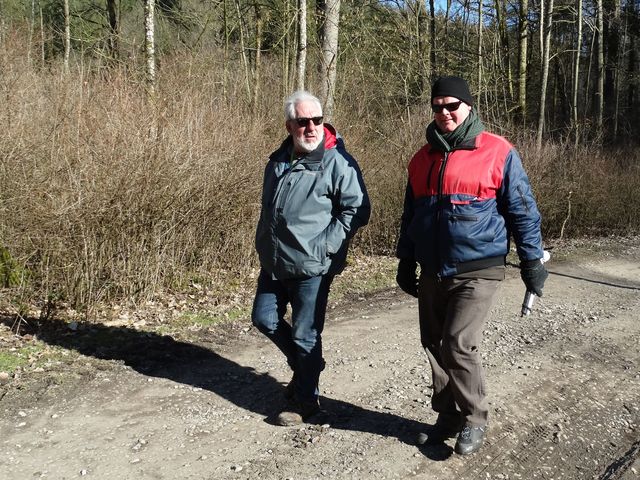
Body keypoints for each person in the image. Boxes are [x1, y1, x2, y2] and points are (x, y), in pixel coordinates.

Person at [395, 76, 548, 455]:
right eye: (437, 106)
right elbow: (410, 214)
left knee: (458, 343)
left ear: (468, 107)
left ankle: (475, 418)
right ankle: (447, 416)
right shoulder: (421, 158)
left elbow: (522, 210)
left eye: (452, 105)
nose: (444, 112)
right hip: (433, 267)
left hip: (479, 266)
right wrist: (406, 259)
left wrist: (531, 260)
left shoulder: (498, 151)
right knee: (433, 342)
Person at [252, 90, 371, 426]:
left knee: (306, 334)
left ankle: (307, 401)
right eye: (303, 121)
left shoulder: (336, 162)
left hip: (312, 266)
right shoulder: (278, 160)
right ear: (290, 125)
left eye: (317, 120)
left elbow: (358, 209)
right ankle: (308, 366)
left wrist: (324, 246)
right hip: (275, 261)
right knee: (264, 319)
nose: (311, 127)